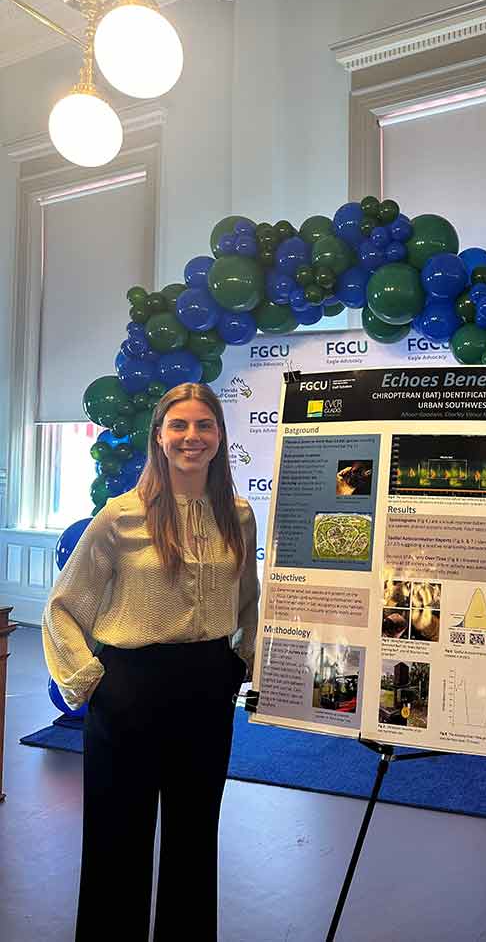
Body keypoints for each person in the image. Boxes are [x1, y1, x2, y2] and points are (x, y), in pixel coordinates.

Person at [42, 382, 260, 942]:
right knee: (119, 838)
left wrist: (246, 658)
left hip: (207, 690)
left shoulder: (238, 513)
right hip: (131, 689)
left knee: (194, 838)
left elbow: (250, 599)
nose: (192, 437)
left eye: (204, 425)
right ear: (159, 437)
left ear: (218, 437)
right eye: (180, 426)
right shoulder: (121, 517)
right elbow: (63, 607)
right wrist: (85, 678)